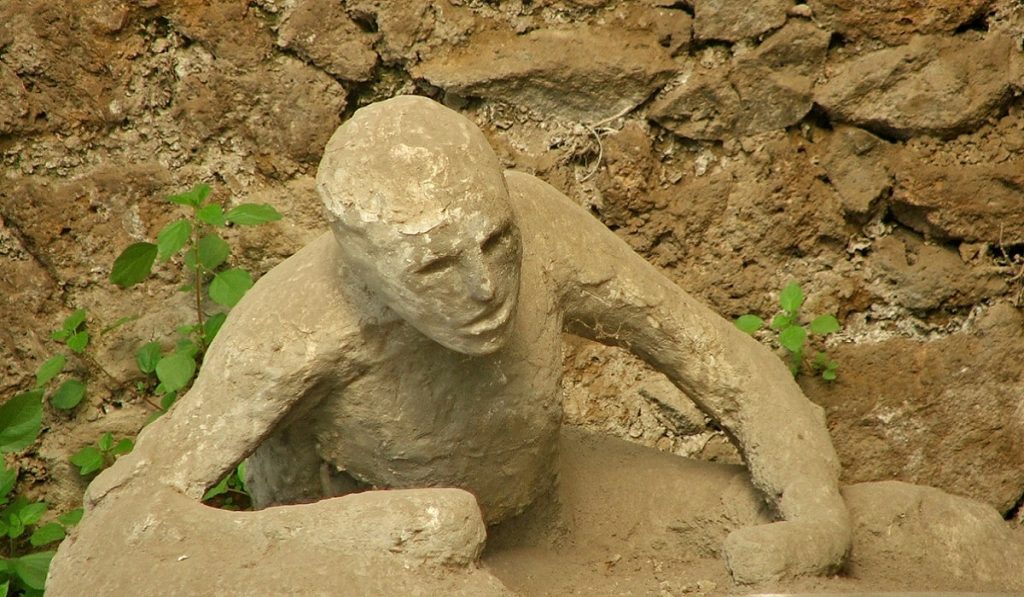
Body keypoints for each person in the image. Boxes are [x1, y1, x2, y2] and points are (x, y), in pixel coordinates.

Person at [66, 96, 850, 590]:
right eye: (436, 263)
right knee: (445, 532)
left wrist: (817, 514)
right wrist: (394, 529)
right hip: (360, 549)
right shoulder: (297, 322)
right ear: (361, 256)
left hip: (546, 499)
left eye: (495, 242)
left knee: (759, 524)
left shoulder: (541, 228)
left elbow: (721, 359)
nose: (484, 287)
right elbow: (126, 526)